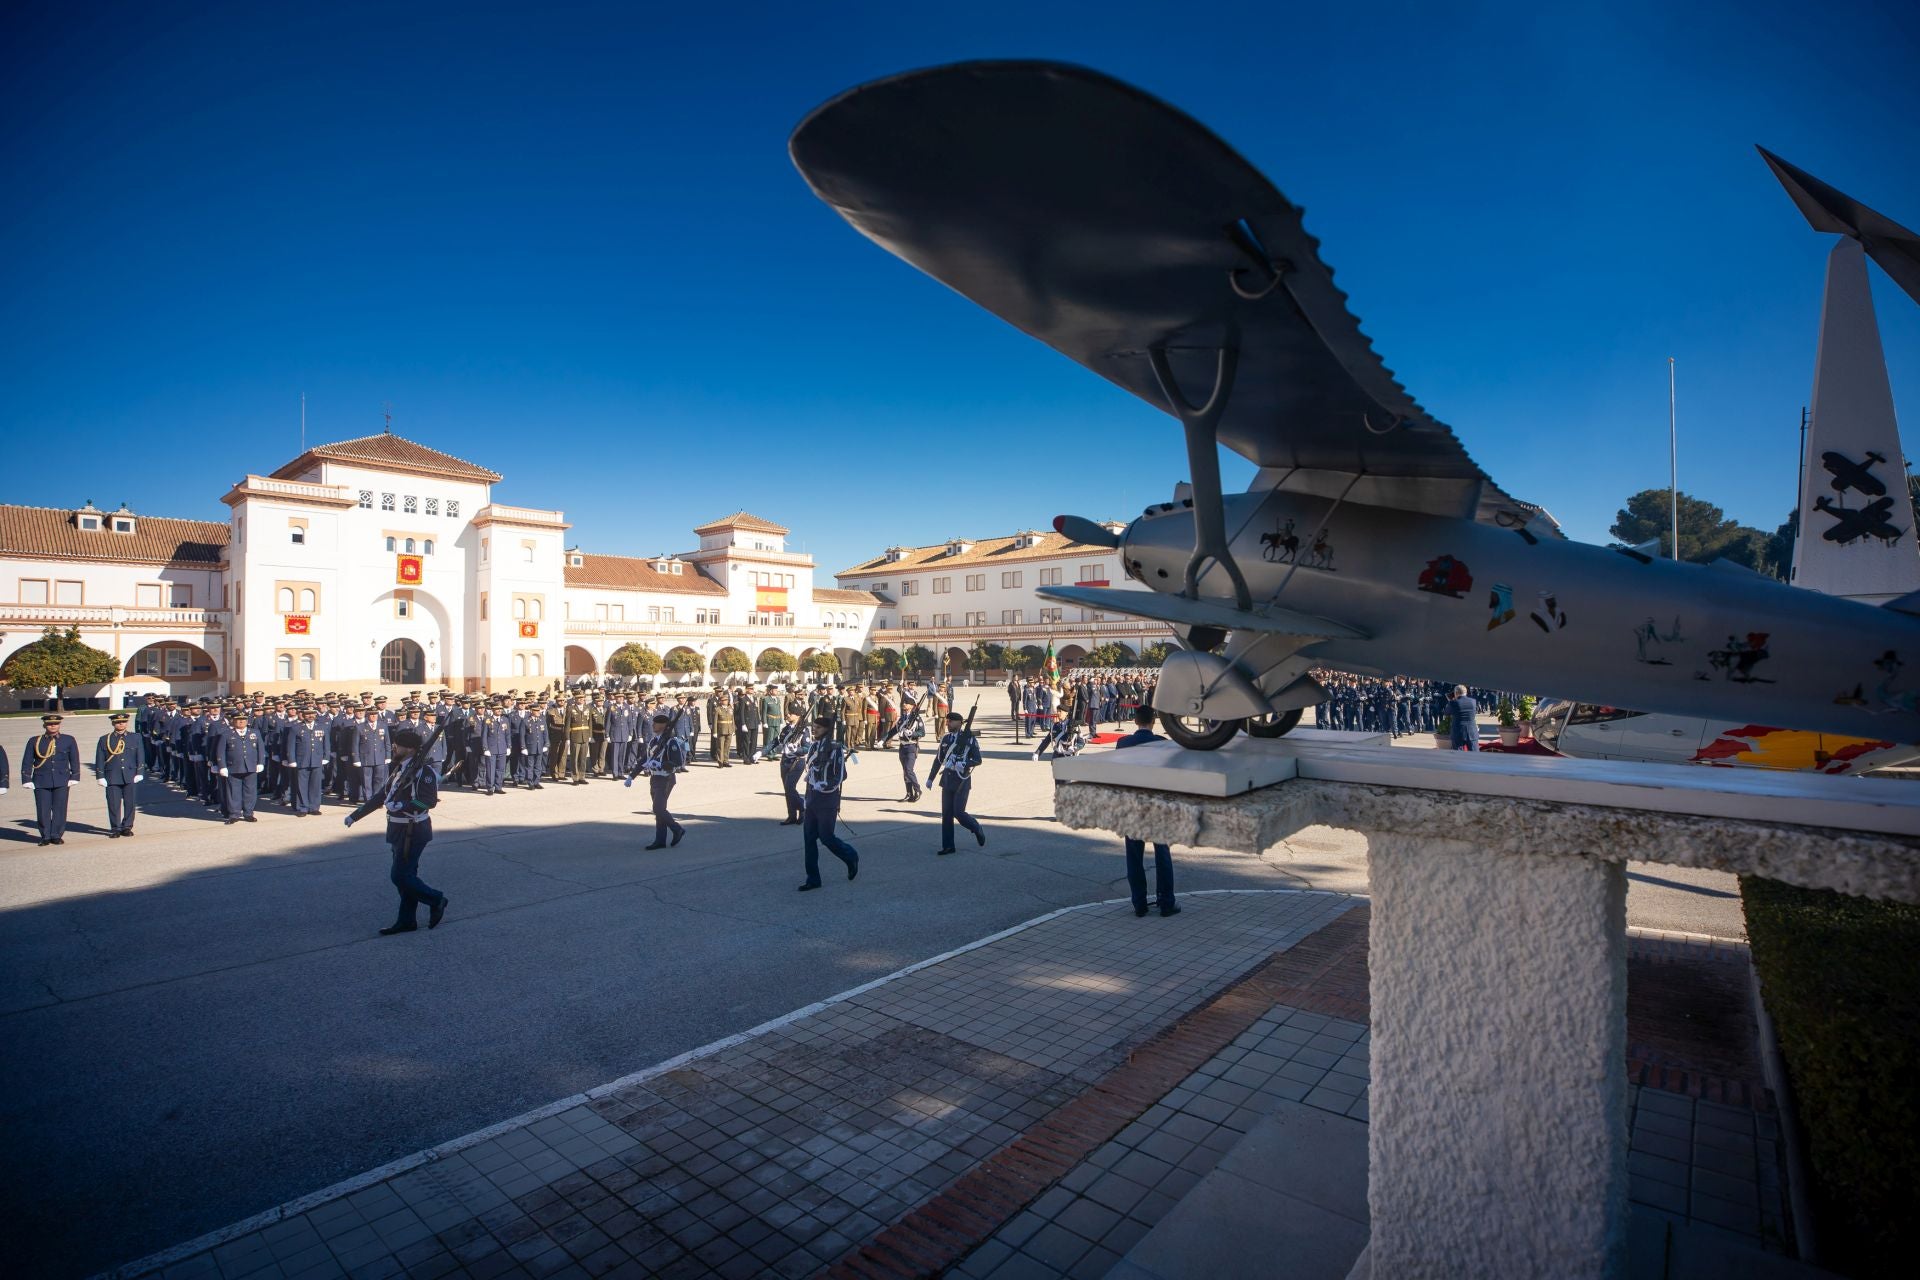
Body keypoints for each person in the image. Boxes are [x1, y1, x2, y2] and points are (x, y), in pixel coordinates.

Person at [346, 727, 447, 936]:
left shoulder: (423, 772)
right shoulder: (400, 768)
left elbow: (428, 801)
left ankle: (436, 899)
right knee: (407, 876)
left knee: (399, 876)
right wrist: (356, 815)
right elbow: (382, 796)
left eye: (398, 745)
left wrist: (404, 806)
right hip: (397, 828)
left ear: (409, 749)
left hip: (414, 829)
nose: (394, 747)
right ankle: (406, 920)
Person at [1115, 707, 1179, 917]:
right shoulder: (1163, 744)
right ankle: (1166, 902)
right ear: (1154, 721)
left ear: (1135, 721)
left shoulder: (1123, 743)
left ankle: (1139, 904)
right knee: (1162, 856)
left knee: (1134, 857)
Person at [797, 715, 859, 891]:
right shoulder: (814, 747)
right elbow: (810, 769)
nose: (814, 729)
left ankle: (851, 856)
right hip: (812, 799)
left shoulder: (834, 748)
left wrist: (826, 785)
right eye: (813, 726)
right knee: (809, 839)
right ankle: (813, 878)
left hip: (827, 799)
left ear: (827, 729)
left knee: (826, 837)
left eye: (818, 727)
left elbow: (841, 775)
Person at [628, 713, 687, 848]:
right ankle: (660, 840)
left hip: (666, 778)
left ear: (662, 725)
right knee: (660, 810)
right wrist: (632, 776)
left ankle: (677, 829)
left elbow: (677, 762)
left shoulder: (671, 742)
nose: (653, 725)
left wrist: (660, 765)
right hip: (655, 778)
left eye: (655, 723)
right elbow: (644, 759)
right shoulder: (654, 741)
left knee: (658, 808)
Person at [929, 711, 984, 855]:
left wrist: (964, 764)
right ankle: (948, 846)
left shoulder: (969, 739)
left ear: (959, 723)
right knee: (946, 814)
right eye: (947, 721)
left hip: (962, 780)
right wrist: (931, 778)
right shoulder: (946, 739)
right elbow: (939, 759)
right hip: (947, 779)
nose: (947, 724)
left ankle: (976, 827)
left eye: (950, 721)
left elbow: (978, 759)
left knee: (958, 813)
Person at [22, 713, 82, 845]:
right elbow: (27, 761)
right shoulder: (35, 741)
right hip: (41, 779)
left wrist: (75, 776)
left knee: (60, 809)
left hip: (62, 779)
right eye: (50, 724)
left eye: (56, 723)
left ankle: (56, 835)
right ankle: (45, 836)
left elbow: (74, 759)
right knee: (43, 809)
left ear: (59, 725)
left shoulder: (68, 740)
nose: (53, 726)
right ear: (45, 725)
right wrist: (26, 778)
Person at [94, 711, 145, 837]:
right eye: (118, 722)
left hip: (130, 774)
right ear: (113, 723)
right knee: (113, 803)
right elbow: (99, 759)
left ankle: (127, 826)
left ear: (126, 723)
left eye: (123, 722)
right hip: (112, 776)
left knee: (130, 803)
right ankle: (115, 828)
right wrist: (100, 776)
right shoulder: (104, 739)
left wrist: (140, 772)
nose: (121, 724)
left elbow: (140, 756)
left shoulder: (135, 737)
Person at [218, 709, 267, 823]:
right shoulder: (226, 734)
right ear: (233, 721)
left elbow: (260, 749)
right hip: (233, 767)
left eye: (243, 719)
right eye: (238, 720)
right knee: (233, 792)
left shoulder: (254, 733)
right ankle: (234, 814)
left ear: (247, 721)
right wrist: (222, 766)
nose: (241, 722)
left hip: (251, 766)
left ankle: (248, 813)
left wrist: (261, 762)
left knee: (250, 791)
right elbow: (220, 751)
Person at [882, 698, 925, 802]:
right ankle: (909, 793)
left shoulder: (917, 718)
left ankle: (917, 789)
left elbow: (922, 733)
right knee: (905, 772)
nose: (904, 704)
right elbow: (893, 731)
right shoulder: (902, 718)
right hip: (902, 747)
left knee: (909, 770)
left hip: (911, 746)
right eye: (904, 703)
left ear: (912, 706)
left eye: (906, 703)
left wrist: (912, 733)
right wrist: (882, 740)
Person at [772, 710, 809, 824]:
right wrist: (761, 752)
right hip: (785, 761)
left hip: (797, 762)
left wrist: (796, 749)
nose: (787, 715)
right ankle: (792, 815)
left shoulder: (804, 730)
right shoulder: (787, 729)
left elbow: (807, 748)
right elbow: (776, 741)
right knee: (787, 790)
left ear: (797, 716)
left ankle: (802, 807)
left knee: (789, 787)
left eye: (790, 713)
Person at [1448, 684, 1481, 751]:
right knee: (1475, 755)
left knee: (1458, 756)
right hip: (1472, 731)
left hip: (1458, 732)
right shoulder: (1473, 701)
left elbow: (1447, 712)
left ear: (1456, 693)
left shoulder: (1454, 703)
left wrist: (1450, 701)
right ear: (1466, 692)